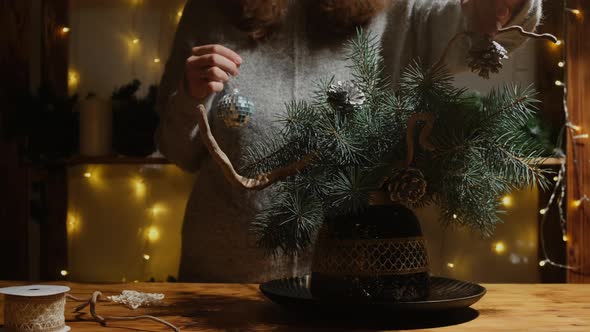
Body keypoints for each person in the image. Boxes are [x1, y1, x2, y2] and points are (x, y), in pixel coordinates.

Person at [156, 0, 541, 282]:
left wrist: (507, 6)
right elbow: (179, 152)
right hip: (223, 283)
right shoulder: (210, 10)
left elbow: (485, 29)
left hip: (357, 281)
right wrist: (190, 97)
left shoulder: (400, 10)